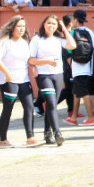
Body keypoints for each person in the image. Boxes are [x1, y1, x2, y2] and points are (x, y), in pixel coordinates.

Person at [0, 15, 40, 148]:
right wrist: (7, 73)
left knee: (29, 107)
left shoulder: (25, 43)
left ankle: (30, 138)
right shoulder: (4, 42)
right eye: (19, 26)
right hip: (9, 81)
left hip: (23, 80)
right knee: (8, 108)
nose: (21, 29)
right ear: (12, 27)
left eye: (23, 26)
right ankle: (3, 140)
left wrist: (34, 67)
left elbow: (29, 60)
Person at [29, 14, 75, 146]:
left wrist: (64, 29)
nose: (51, 26)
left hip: (58, 74)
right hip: (43, 75)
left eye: (54, 24)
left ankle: (47, 133)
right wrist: (46, 61)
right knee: (51, 102)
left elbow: (72, 45)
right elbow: (31, 60)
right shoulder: (37, 39)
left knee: (52, 105)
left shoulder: (58, 39)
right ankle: (57, 133)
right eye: (48, 23)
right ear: (44, 24)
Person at [64, 10, 94, 127]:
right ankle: (73, 117)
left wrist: (71, 66)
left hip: (78, 67)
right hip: (89, 67)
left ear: (75, 19)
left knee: (84, 92)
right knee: (77, 91)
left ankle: (91, 117)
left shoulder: (73, 33)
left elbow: (68, 51)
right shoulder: (91, 33)